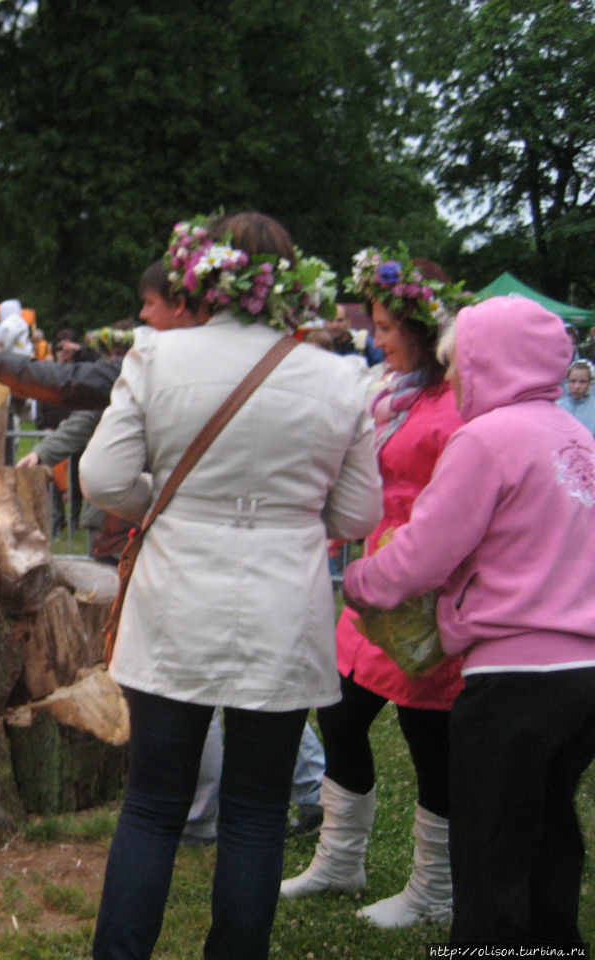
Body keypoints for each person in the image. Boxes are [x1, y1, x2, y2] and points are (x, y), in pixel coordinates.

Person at [81, 212, 381, 959]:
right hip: (282, 601)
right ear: (289, 280)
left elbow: (104, 478)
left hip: (176, 596)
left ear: (201, 277)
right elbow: (357, 511)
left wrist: (172, 497)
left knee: (152, 804)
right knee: (254, 811)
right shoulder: (339, 374)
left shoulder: (157, 356)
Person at [342, 296, 595, 945]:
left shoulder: (485, 438)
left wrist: (361, 584)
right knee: (548, 830)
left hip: (512, 673)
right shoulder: (572, 432)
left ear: (488, 361)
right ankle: (554, 944)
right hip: (581, 672)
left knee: (490, 847)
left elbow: (425, 553)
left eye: (459, 362)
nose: (451, 376)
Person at [281, 246, 475, 929]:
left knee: (430, 737)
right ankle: (340, 861)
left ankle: (434, 890)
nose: (376, 338)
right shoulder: (391, 394)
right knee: (338, 715)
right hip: (373, 588)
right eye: (376, 326)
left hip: (427, 593)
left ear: (424, 330)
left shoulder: (458, 404)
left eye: (389, 328)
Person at [556, 359, 595, 436]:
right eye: (573, 381)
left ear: (590, 383)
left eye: (582, 382)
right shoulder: (557, 407)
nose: (577, 386)